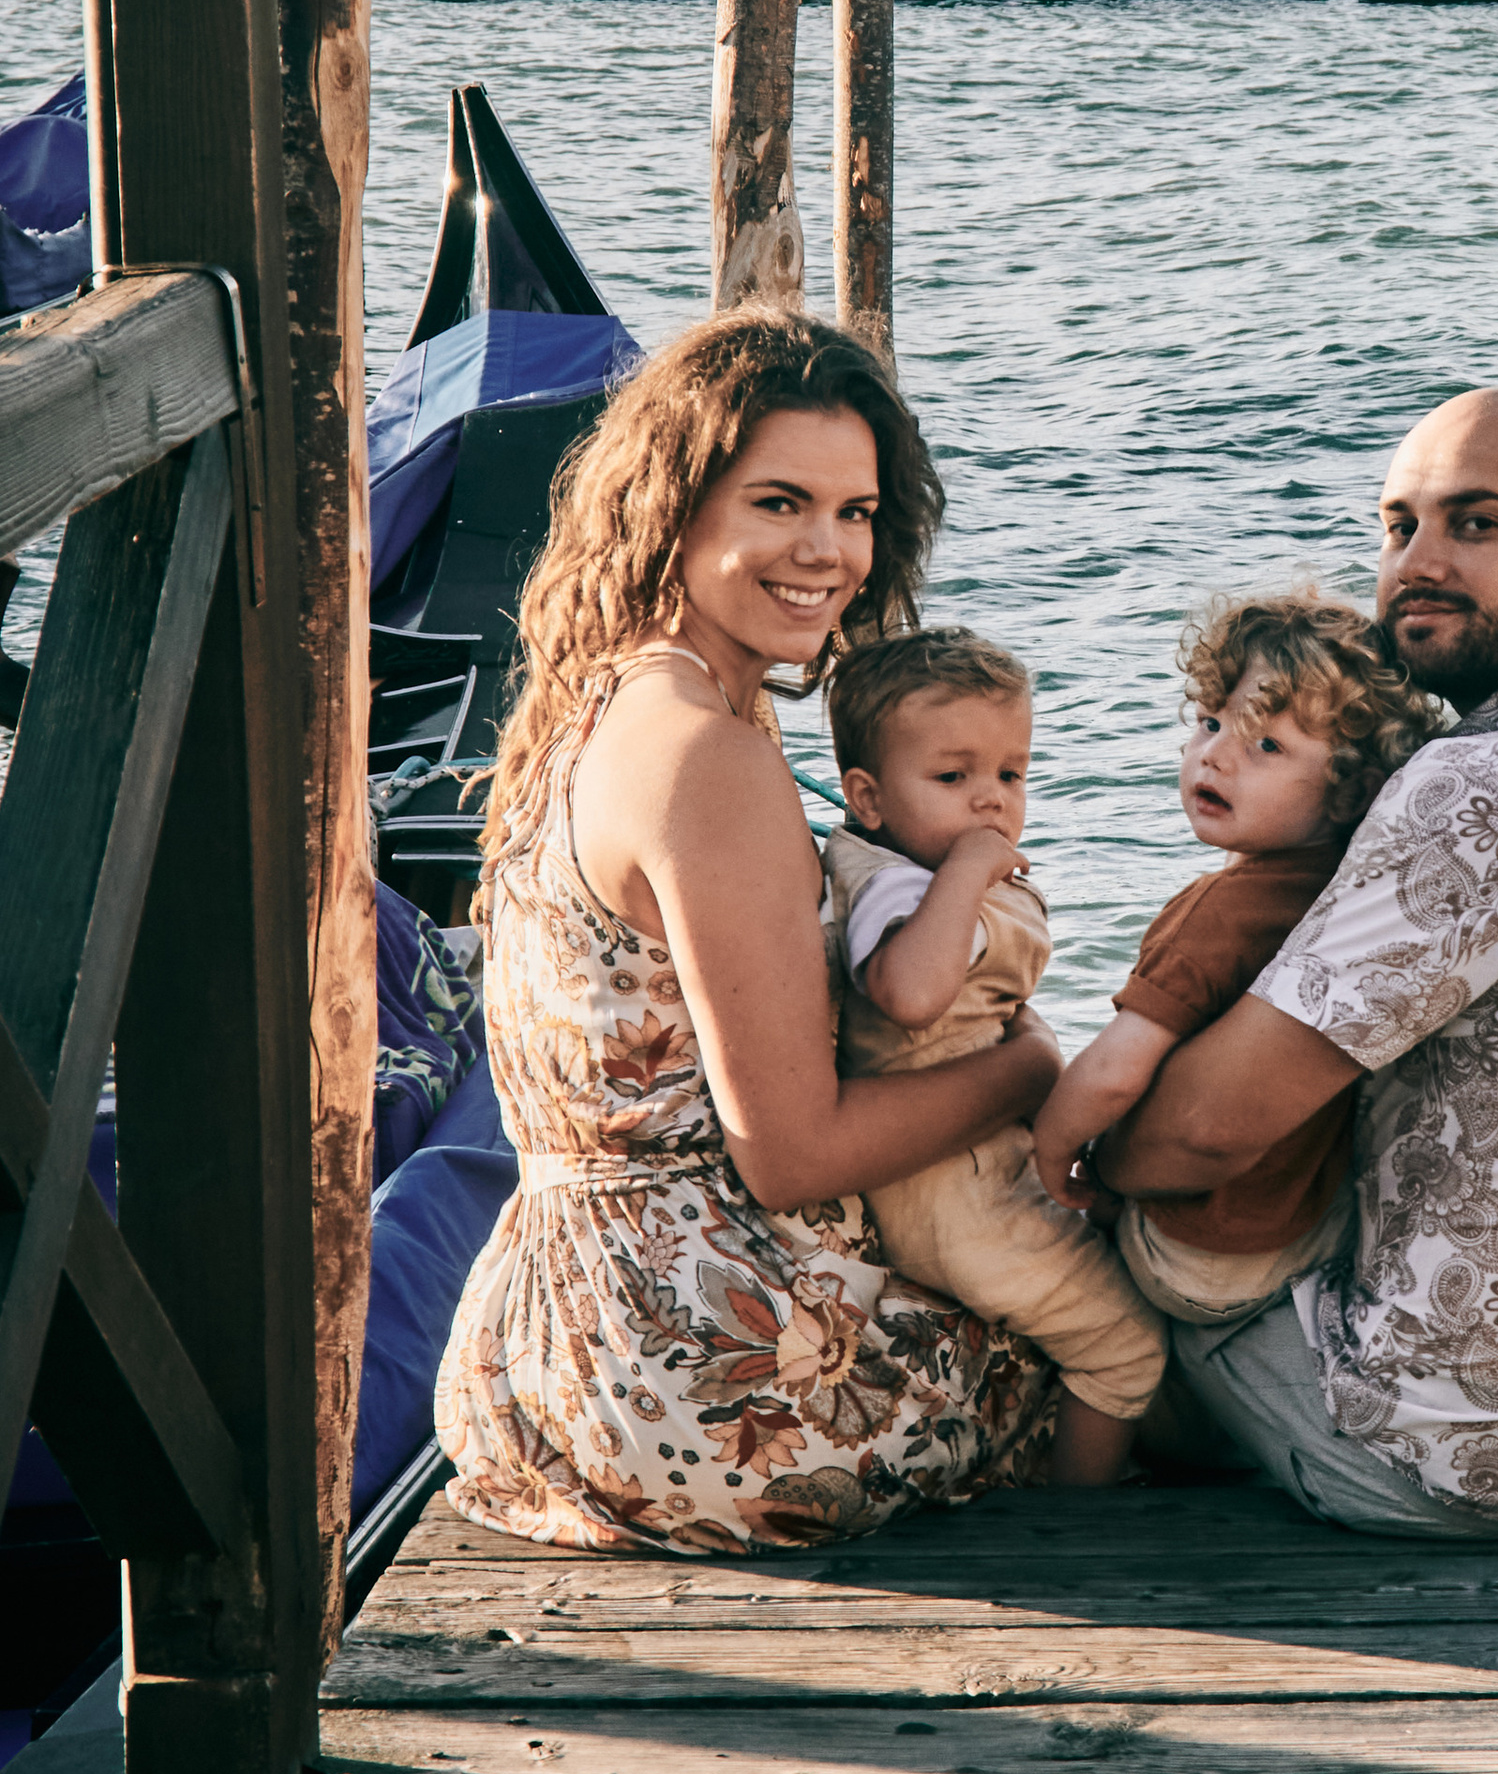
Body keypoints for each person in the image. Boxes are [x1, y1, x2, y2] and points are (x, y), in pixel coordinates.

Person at [435, 309, 1064, 1552]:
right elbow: (789, 1151)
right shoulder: (704, 756)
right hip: (712, 1381)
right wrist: (1031, 1070)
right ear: (675, 506)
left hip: (548, 1341)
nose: (827, 552)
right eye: (780, 503)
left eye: (857, 513)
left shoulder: (606, 691)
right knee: (1126, 1347)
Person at [1095, 387, 1498, 1540]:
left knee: (1104, 1255)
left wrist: (1088, 1160)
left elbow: (1202, 1132)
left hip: (1464, 1457)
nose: (1419, 562)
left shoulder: (1474, 790)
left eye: (1475, 525)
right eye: (1399, 526)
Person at [1029, 587, 1441, 1327]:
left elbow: (1116, 1071)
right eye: (1210, 722)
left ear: (1352, 793)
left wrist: (1055, 1153)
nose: (1214, 754)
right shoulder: (1354, 895)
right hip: (1309, 1231)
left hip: (1194, 1259)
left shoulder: (1213, 913)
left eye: (1266, 746)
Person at [822, 628, 1163, 1488]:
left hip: (961, 1171)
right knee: (1128, 1348)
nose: (992, 802)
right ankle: (1079, 1521)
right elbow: (909, 992)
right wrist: (972, 871)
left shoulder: (911, 869)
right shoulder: (900, 886)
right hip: (951, 1191)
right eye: (953, 777)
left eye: (1011, 775)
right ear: (867, 797)